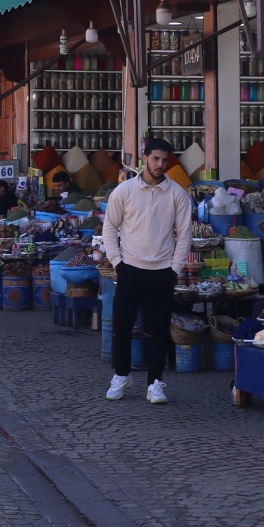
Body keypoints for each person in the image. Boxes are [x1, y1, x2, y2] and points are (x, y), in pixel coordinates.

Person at [102, 134, 193, 405]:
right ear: (144, 157)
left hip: (162, 272)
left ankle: (155, 382)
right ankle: (121, 374)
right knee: (122, 326)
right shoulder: (124, 191)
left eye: (164, 160)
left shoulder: (177, 194)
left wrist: (174, 268)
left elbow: (184, 234)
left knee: (158, 329)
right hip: (130, 268)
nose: (160, 164)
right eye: (155, 158)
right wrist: (117, 262)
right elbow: (109, 228)